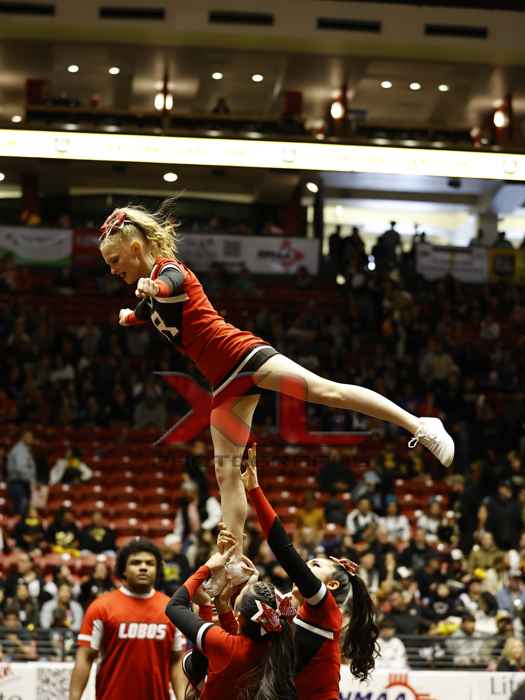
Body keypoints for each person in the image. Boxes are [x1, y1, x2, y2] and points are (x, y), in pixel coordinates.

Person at [98, 203, 454, 574]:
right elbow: (151, 309)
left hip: (244, 355)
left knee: (325, 392)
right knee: (226, 470)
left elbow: (169, 283)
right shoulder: (149, 289)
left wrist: (152, 287)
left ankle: (419, 424)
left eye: (114, 260)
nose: (112, 270)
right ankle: (233, 561)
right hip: (224, 381)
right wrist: (132, 316)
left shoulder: (168, 271)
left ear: (136, 248)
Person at [239, 445, 378, 696]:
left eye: (315, 565)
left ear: (331, 585)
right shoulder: (298, 609)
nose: (306, 567)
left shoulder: (325, 609)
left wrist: (255, 490)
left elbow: (283, 549)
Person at [165, 542, 297, 700]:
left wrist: (206, 568)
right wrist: (222, 603)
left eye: (239, 595)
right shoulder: (280, 646)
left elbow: (173, 607)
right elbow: (238, 639)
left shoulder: (224, 645)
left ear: (239, 617)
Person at [69, 538, 185, 700]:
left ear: (157, 570)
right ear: (123, 570)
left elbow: (177, 660)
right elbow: (85, 657)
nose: (143, 567)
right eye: (136, 563)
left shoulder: (172, 610)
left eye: (150, 563)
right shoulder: (101, 607)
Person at [6, 431, 36, 516]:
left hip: (20, 483)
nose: (31, 439)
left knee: (21, 509)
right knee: (21, 511)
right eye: (29, 437)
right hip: (18, 483)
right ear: (23, 437)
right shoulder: (20, 450)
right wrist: (31, 481)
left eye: (32, 437)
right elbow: (20, 468)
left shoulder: (24, 449)